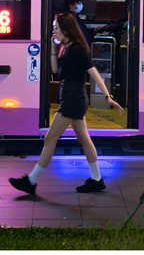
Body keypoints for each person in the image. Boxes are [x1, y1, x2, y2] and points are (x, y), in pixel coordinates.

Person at [8, 12, 123, 195]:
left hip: (73, 99)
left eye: (56, 28)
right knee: (84, 139)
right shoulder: (67, 48)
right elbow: (55, 70)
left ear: (66, 30)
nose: (53, 31)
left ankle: (31, 181)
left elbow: (93, 72)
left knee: (50, 138)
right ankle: (96, 179)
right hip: (71, 97)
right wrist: (53, 48)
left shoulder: (77, 49)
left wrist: (107, 96)